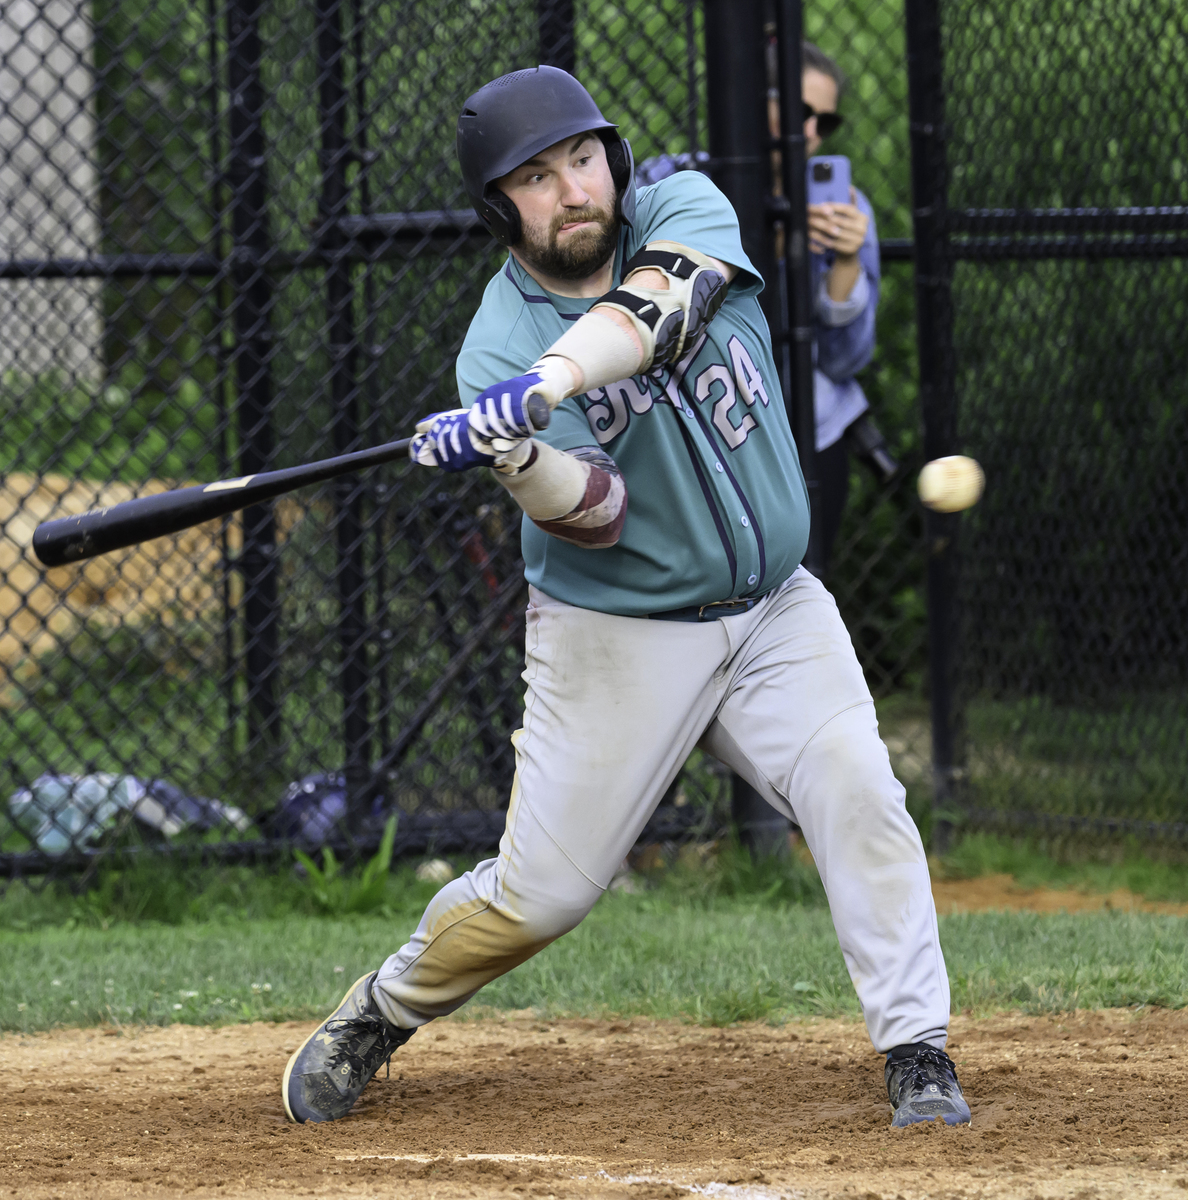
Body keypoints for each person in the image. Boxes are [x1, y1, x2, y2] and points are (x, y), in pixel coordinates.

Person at [280, 65, 969, 1131]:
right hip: (618, 633)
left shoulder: (685, 208)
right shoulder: (491, 353)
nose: (571, 190)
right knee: (542, 897)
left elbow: (663, 307)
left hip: (773, 604)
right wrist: (518, 457)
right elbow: (597, 512)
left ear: (614, 159)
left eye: (581, 159)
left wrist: (551, 384)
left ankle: (917, 1049)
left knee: (857, 786)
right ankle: (381, 1009)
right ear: (498, 208)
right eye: (536, 178)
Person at [636, 41, 898, 566]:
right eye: (799, 111)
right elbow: (651, 301)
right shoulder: (675, 181)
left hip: (806, 431)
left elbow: (845, 361)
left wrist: (844, 265)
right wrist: (769, 249)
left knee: (803, 591)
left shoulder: (845, 209)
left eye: (825, 121)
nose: (810, 133)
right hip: (698, 427)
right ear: (758, 100)